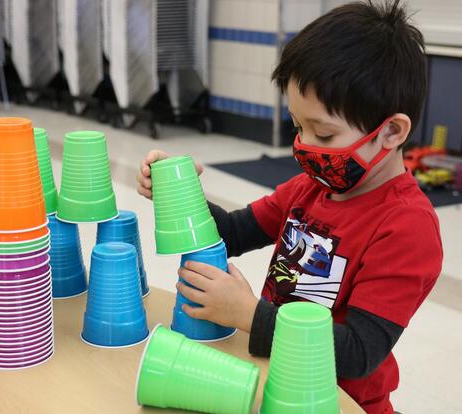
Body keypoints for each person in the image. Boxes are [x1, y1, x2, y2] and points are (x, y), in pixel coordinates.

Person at [136, 1, 442, 413]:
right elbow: (232, 232)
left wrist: (249, 314)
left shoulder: (406, 228)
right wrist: (180, 193)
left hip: (340, 402)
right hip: (276, 380)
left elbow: (358, 353)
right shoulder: (308, 188)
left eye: (324, 133)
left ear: (390, 131)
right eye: (299, 127)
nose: (305, 146)